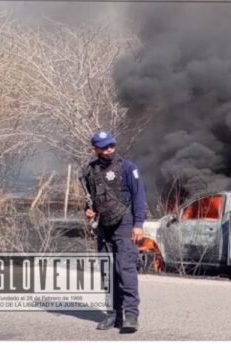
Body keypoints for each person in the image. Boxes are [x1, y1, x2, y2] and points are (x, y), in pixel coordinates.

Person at [82, 130, 146, 333]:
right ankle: (113, 315)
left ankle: (131, 315)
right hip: (104, 225)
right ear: (95, 148)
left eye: (112, 145)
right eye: (105, 146)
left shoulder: (127, 167)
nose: (110, 149)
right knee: (107, 271)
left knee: (125, 268)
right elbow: (90, 198)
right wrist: (88, 211)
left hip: (125, 223)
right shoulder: (90, 171)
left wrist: (138, 224)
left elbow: (139, 196)